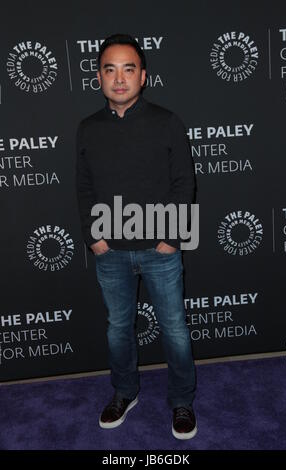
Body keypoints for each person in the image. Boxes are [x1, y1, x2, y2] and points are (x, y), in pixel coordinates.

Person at [75, 33, 197, 440]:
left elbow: (184, 184)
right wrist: (96, 238)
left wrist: (171, 240)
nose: (120, 78)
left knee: (174, 328)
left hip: (161, 251)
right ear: (99, 77)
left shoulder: (167, 121)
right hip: (110, 252)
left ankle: (181, 400)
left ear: (143, 76)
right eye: (110, 69)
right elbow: (84, 187)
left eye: (129, 69)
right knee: (118, 328)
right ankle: (124, 392)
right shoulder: (88, 128)